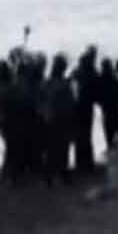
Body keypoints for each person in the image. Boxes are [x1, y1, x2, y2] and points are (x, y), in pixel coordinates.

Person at [41, 53, 76, 185]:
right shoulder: (64, 84)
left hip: (50, 118)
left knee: (51, 148)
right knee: (63, 148)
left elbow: (41, 101)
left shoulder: (47, 83)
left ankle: (49, 176)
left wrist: (44, 114)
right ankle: (62, 174)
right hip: (62, 118)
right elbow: (70, 103)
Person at [0, 59, 18, 183]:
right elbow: (9, 96)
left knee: (11, 146)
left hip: (0, 119)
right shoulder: (0, 87)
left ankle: (7, 173)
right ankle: (7, 173)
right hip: (5, 120)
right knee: (11, 146)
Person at [72, 46, 99, 173]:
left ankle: (80, 162)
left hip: (78, 106)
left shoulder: (77, 72)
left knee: (80, 134)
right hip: (87, 106)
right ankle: (87, 163)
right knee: (86, 134)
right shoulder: (92, 72)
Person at [98, 58, 118, 149]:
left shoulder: (100, 79)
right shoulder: (113, 79)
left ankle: (112, 147)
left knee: (109, 132)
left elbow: (96, 95)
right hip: (114, 107)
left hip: (106, 108)